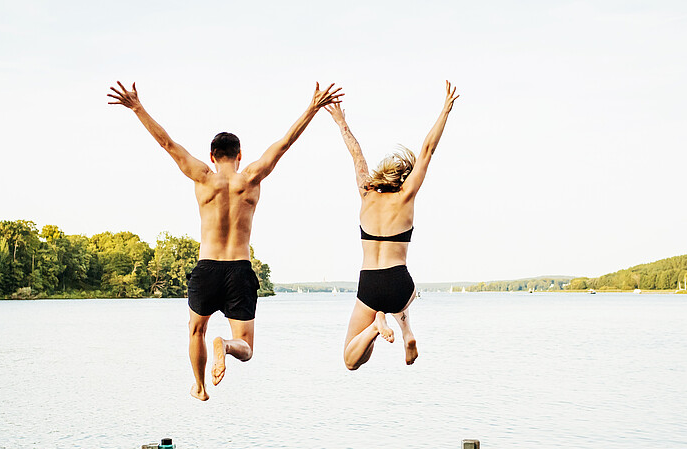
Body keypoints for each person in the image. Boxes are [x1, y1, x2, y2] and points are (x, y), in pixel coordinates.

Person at [108, 81, 343, 400]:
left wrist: (137, 108)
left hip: (207, 269)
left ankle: (201, 387)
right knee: (245, 348)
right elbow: (285, 143)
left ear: (212, 155)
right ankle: (227, 346)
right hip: (239, 270)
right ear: (240, 155)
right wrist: (312, 108)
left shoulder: (202, 176)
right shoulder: (251, 177)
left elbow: (167, 143)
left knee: (196, 330)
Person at [325, 81, 458, 370]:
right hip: (400, 283)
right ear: (403, 179)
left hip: (370, 283)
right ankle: (406, 331)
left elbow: (356, 153)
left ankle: (375, 326)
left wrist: (340, 121)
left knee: (352, 360)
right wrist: (445, 110)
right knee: (406, 296)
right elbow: (427, 150)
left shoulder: (366, 193)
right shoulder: (406, 196)